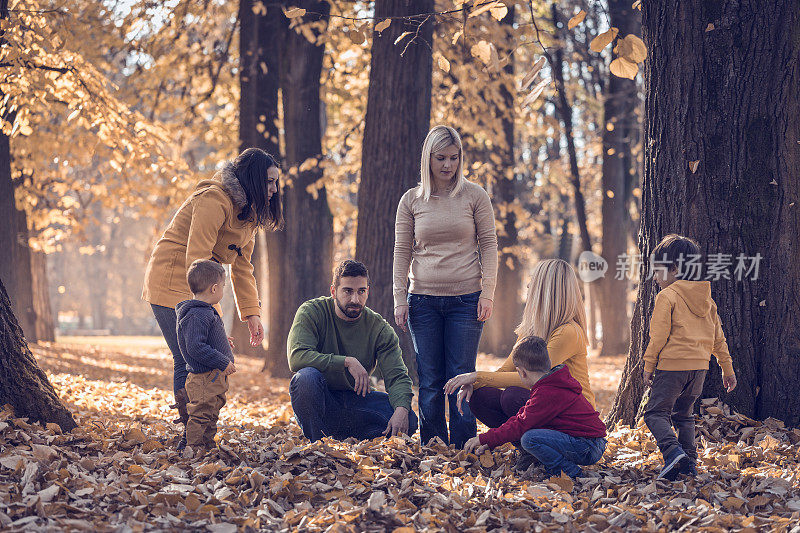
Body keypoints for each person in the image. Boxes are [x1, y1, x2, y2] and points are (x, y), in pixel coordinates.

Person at [142, 148, 283, 448]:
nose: (274, 190)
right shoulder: (214, 199)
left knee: (193, 357)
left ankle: (195, 435)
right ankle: (191, 437)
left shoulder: (248, 216)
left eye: (276, 183)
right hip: (174, 276)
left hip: (200, 282)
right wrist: (214, 318)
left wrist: (253, 315)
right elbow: (198, 257)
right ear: (254, 179)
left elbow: (243, 268)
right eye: (269, 182)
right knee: (188, 358)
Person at [393, 125, 498, 448]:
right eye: (441, 158)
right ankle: (434, 446)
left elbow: (490, 244)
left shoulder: (474, 195)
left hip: (466, 302)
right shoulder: (411, 200)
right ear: (429, 158)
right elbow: (402, 250)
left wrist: (488, 292)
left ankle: (465, 445)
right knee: (430, 380)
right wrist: (399, 297)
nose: (448, 165)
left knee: (461, 374)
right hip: (422, 302)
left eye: (454, 158)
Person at [444, 258, 596, 469]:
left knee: (512, 396)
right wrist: (476, 384)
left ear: (545, 289)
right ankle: (530, 450)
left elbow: (532, 379)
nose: (527, 285)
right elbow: (507, 370)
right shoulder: (530, 330)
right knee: (481, 397)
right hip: (546, 405)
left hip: (573, 418)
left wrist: (476, 376)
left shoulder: (568, 332)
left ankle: (548, 450)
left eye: (533, 280)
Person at [288, 260, 418, 442]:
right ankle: (318, 443)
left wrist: (402, 409)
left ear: (368, 291)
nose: (355, 299)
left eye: (361, 291)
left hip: (359, 402)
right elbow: (297, 357)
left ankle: (352, 439)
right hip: (324, 401)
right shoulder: (311, 312)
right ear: (333, 291)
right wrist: (346, 362)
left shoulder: (379, 328)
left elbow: (397, 376)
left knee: (409, 419)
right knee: (305, 379)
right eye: (348, 291)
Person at [642, 234, 737, 480]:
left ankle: (673, 452)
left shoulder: (667, 296)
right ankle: (689, 463)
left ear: (674, 269)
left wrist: (648, 365)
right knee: (684, 415)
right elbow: (719, 338)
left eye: (657, 270)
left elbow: (658, 336)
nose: (654, 277)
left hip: (672, 366)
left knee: (654, 413)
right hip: (699, 369)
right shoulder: (708, 299)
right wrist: (727, 368)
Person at [464, 336, 606, 479]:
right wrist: (491, 442)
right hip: (588, 442)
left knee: (529, 439)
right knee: (530, 435)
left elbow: (521, 425)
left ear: (522, 372)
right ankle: (557, 467)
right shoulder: (551, 384)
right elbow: (521, 417)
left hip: (588, 446)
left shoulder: (549, 392)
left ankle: (570, 472)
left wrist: (483, 439)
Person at [176, 260, 237, 452]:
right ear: (214, 288)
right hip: (204, 378)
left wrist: (221, 339)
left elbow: (203, 337)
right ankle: (193, 448)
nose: (223, 291)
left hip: (213, 378)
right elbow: (195, 347)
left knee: (211, 413)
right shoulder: (197, 314)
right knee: (201, 414)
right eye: (224, 287)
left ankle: (208, 445)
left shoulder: (203, 312)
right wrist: (222, 360)